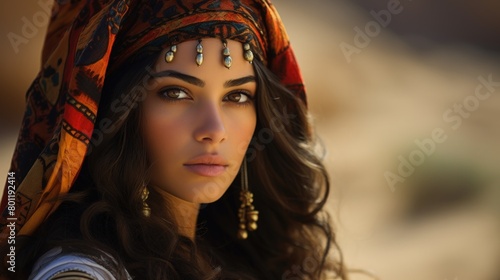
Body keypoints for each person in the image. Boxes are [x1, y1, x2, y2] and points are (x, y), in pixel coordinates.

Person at [0, 0, 345, 279]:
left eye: (237, 97)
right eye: (176, 93)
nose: (214, 129)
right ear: (120, 108)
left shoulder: (251, 253)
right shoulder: (83, 267)